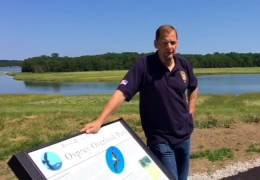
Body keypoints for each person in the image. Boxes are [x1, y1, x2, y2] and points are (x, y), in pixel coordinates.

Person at [81, 24, 198, 180]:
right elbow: (122, 92)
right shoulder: (144, 66)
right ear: (156, 44)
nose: (170, 47)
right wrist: (100, 120)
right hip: (160, 139)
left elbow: (193, 87)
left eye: (173, 42)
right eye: (165, 43)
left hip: (184, 135)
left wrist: (190, 112)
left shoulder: (184, 64)